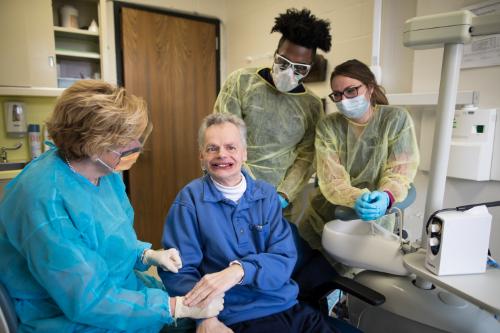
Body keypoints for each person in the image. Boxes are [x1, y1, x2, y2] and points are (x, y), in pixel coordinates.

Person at [0, 80, 223, 332]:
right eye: (127, 140)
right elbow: (86, 300)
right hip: (71, 315)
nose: (137, 145)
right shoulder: (43, 200)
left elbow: (108, 237)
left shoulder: (105, 172)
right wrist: (174, 307)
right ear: (94, 144)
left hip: (119, 290)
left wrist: (144, 254)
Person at [159, 113, 361, 333]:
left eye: (231, 147)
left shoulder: (265, 195)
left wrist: (239, 271)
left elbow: (283, 259)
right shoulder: (189, 201)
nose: (221, 155)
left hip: (286, 305)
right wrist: (205, 317)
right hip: (233, 316)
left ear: (245, 153)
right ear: (201, 156)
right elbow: (179, 271)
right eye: (212, 148)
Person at [213, 8, 331, 212]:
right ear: (275, 54)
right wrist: (244, 186)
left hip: (277, 202)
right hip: (229, 190)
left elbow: (307, 157)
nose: (288, 72)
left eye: (300, 68)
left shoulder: (311, 105)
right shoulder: (241, 82)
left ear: (310, 68)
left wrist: (283, 194)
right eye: (283, 62)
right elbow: (223, 138)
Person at [299, 59, 420, 255]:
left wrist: (385, 197)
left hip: (374, 223)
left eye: (351, 91)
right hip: (326, 218)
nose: (344, 100)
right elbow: (332, 179)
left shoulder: (396, 119)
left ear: (370, 88)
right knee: (304, 271)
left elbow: (401, 171)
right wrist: (357, 198)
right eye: (337, 95)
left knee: (345, 277)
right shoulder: (328, 126)